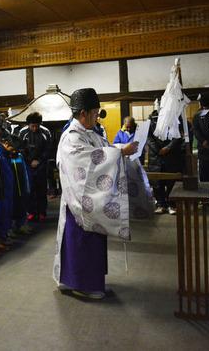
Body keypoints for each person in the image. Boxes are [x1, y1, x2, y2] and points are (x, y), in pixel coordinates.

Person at [53, 88, 144, 300]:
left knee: (89, 244)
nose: (97, 117)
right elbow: (85, 160)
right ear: (83, 113)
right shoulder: (71, 137)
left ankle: (82, 281)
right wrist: (120, 152)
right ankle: (81, 284)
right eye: (94, 113)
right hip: (78, 203)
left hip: (91, 200)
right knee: (81, 243)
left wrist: (122, 149)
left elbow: (105, 148)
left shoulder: (89, 133)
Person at [148, 111, 185, 215]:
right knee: (157, 182)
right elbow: (149, 138)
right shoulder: (151, 119)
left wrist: (168, 148)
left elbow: (179, 135)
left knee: (171, 181)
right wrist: (157, 150)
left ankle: (172, 204)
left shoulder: (175, 116)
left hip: (172, 154)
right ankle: (160, 204)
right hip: (155, 155)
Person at [18, 113, 51, 222]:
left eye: (36, 126)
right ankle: (31, 212)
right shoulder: (22, 133)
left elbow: (48, 149)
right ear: (28, 125)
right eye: (32, 126)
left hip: (41, 165)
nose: (34, 128)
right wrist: (29, 161)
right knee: (29, 189)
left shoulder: (46, 132)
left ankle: (42, 212)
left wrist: (39, 160)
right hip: (28, 165)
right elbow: (21, 149)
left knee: (41, 189)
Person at [7, 135, 33, 237]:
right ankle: (11, 228)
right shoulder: (6, 157)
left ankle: (21, 225)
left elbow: (26, 174)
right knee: (12, 209)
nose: (14, 151)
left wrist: (27, 187)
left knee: (22, 207)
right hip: (11, 190)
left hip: (21, 188)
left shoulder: (20, 157)